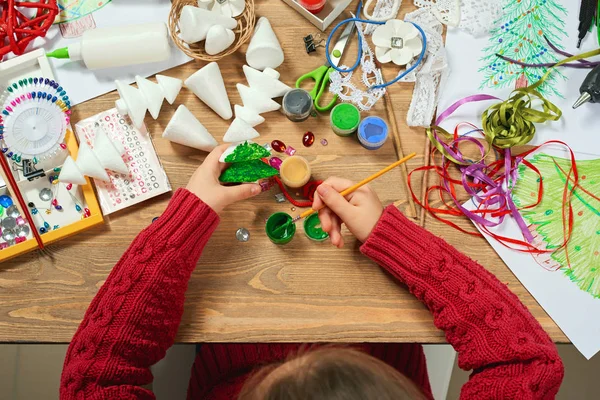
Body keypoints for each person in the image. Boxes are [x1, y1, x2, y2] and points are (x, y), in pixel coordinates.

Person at [60, 145, 564, 399]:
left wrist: (187, 217)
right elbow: (526, 363)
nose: (297, 353)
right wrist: (395, 237)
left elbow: (91, 379)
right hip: (382, 330)